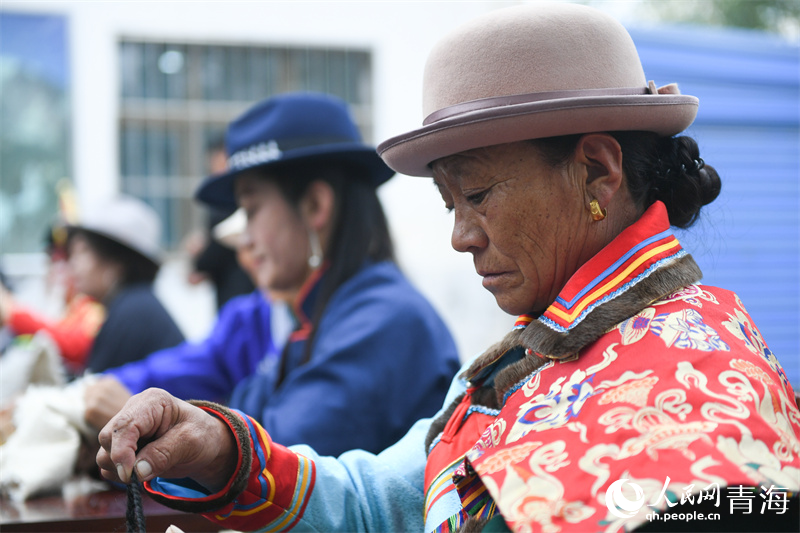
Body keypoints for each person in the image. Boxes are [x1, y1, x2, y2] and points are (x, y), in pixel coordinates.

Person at [97, 5, 800, 533]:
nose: (462, 236)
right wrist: (222, 449)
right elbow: (383, 498)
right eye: (448, 202)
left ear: (596, 168)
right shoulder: (542, 351)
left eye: (479, 194)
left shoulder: (692, 383)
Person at [90, 92, 460, 457]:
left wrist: (159, 436)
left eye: (251, 211)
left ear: (315, 205)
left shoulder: (383, 322)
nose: (244, 240)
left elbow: (273, 459)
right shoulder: (312, 314)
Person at [66, 195, 184, 373]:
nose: (73, 264)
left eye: (83, 252)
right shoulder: (132, 304)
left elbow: (95, 388)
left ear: (116, 263)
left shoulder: (133, 311)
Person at [0, 226, 104, 375]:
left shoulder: (91, 306)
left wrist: (12, 312)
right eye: (53, 261)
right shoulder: (49, 300)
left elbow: (73, 346)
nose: (58, 270)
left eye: (66, 261)